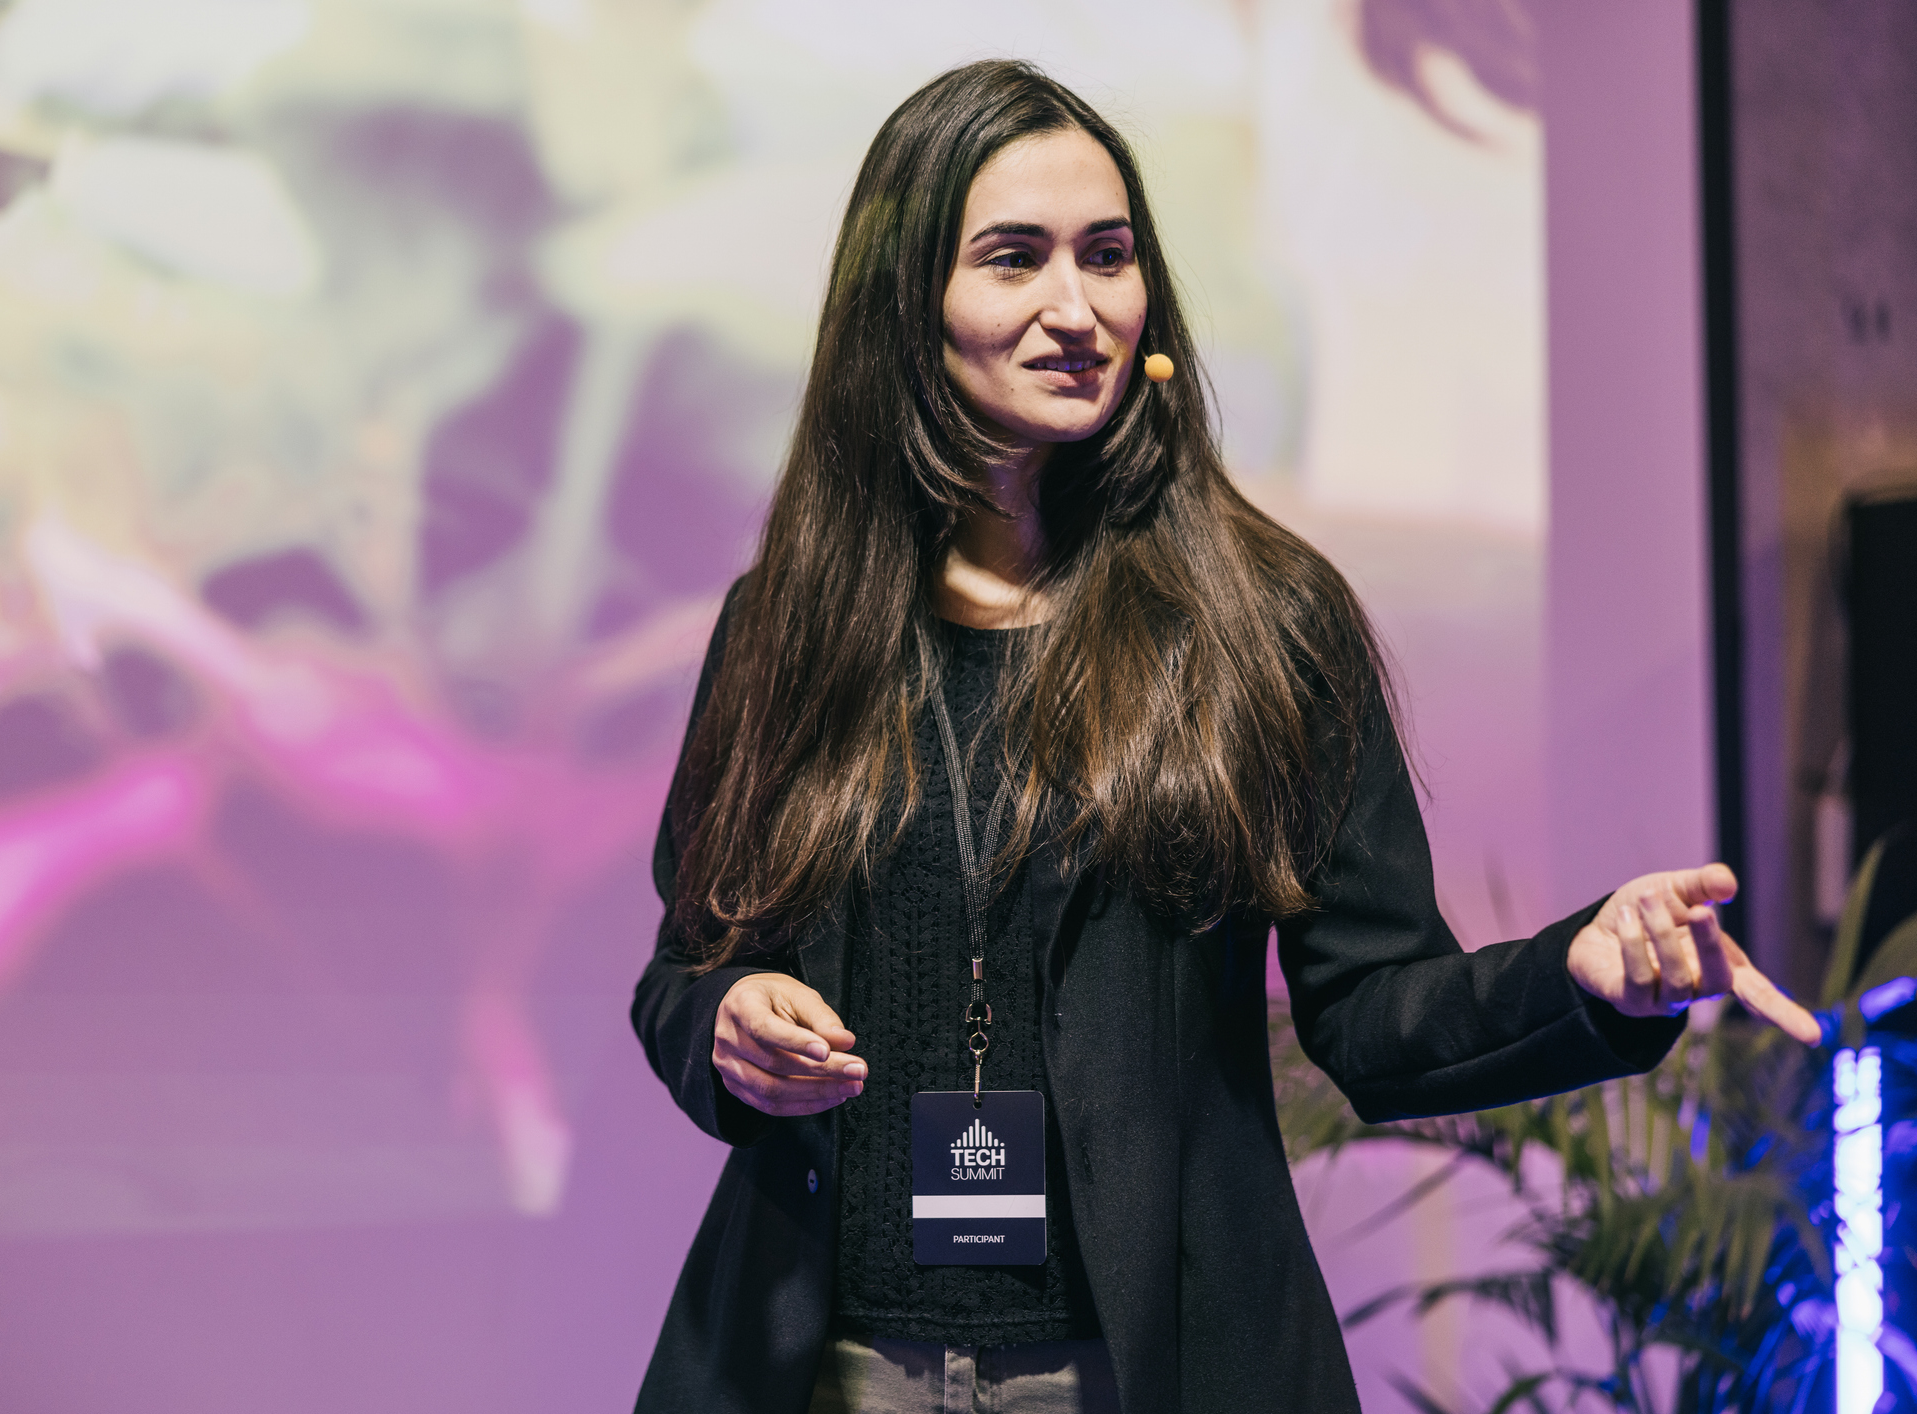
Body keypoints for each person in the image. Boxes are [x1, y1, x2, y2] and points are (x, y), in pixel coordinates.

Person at [629, 59, 1819, 1414]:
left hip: (1150, 1365)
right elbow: (687, 966)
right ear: (908, 312)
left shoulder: (1263, 618)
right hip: (826, 1362)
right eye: (1014, 259)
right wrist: (725, 1018)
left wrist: (1590, 976)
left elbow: (1376, 1013)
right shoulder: (787, 628)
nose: (1075, 307)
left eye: (1111, 254)